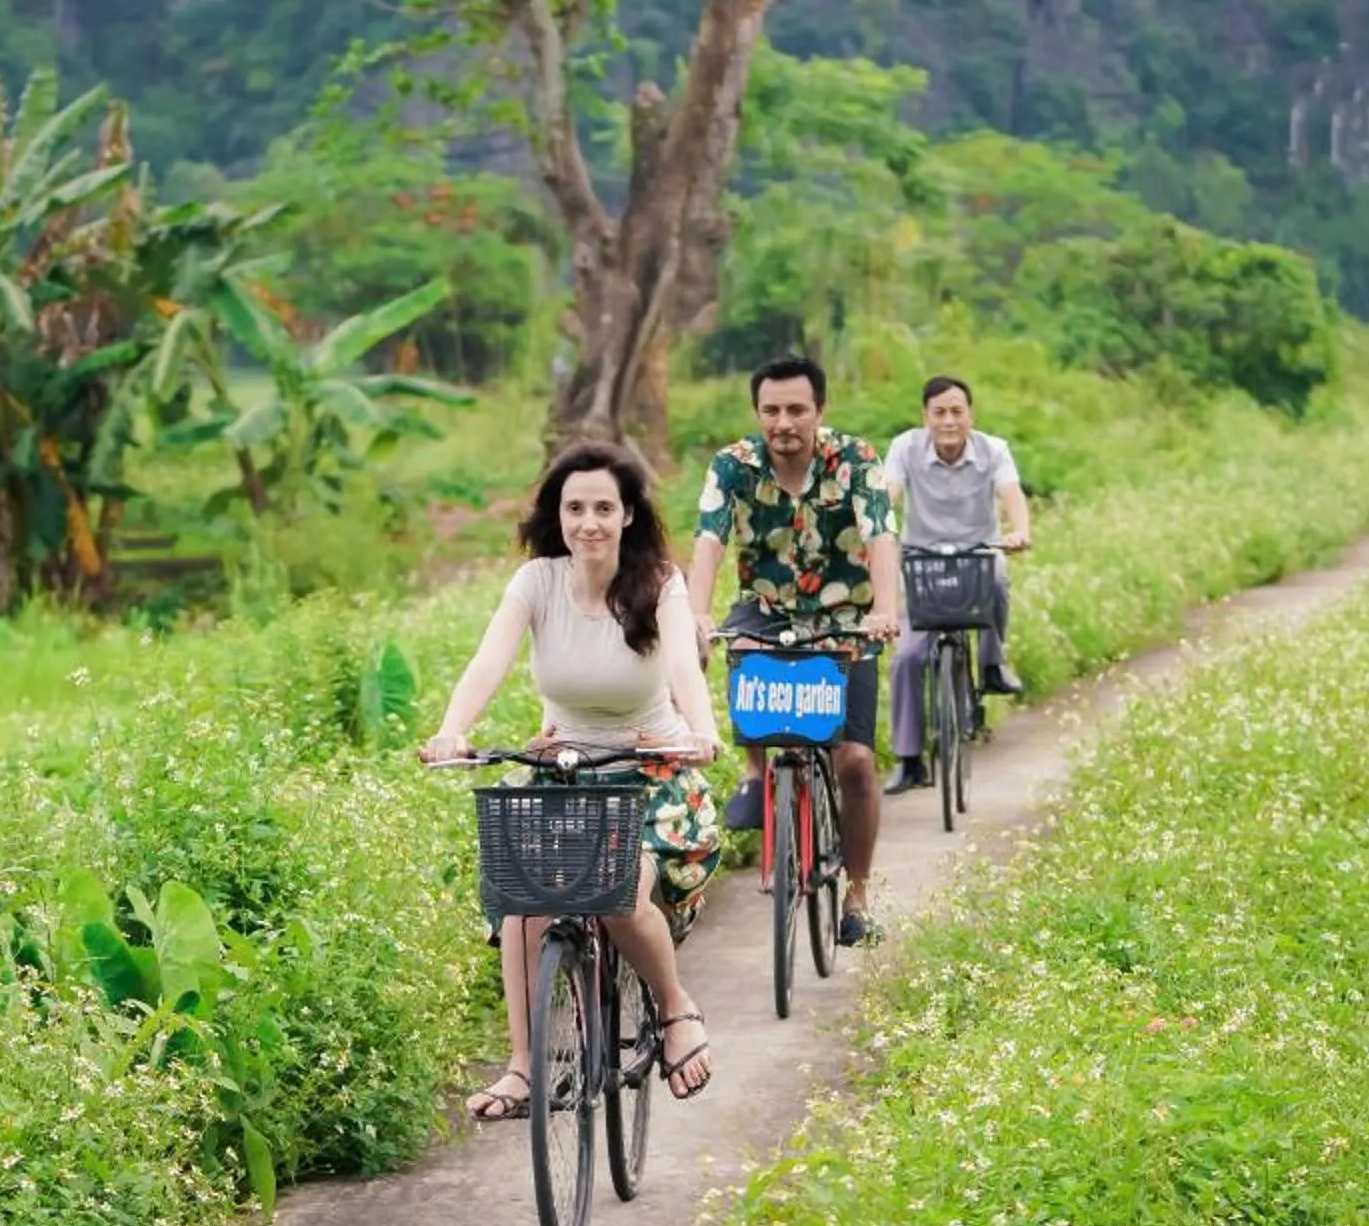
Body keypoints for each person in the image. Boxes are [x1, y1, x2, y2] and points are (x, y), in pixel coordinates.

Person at [421, 441, 725, 1121]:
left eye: (604, 508)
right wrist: (452, 729)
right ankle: (524, 1067)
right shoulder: (537, 583)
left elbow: (681, 666)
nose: (589, 522)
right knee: (523, 901)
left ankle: (676, 1007)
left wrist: (697, 732)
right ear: (556, 516)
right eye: (574, 508)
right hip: (563, 769)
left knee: (618, 893)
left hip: (651, 771)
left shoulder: (660, 584)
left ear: (627, 516)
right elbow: (488, 659)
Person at [684, 354, 902, 946]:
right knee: (738, 653)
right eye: (771, 410)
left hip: (846, 616)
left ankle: (857, 893)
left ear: (819, 412)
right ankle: (758, 776)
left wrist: (884, 610)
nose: (784, 423)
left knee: (853, 760)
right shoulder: (733, 465)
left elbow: (881, 534)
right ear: (758, 413)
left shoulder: (855, 460)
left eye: (796, 410)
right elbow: (708, 540)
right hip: (767, 608)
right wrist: (696, 613)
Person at [883, 373, 1032, 793]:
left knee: (998, 576)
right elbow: (888, 493)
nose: (948, 421)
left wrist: (1018, 530)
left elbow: (1011, 495)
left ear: (970, 415)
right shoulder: (905, 448)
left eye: (956, 412)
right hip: (920, 562)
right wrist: (876, 530)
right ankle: (910, 760)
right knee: (907, 657)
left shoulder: (993, 450)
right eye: (939, 412)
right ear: (925, 417)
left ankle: (991, 664)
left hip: (977, 555)